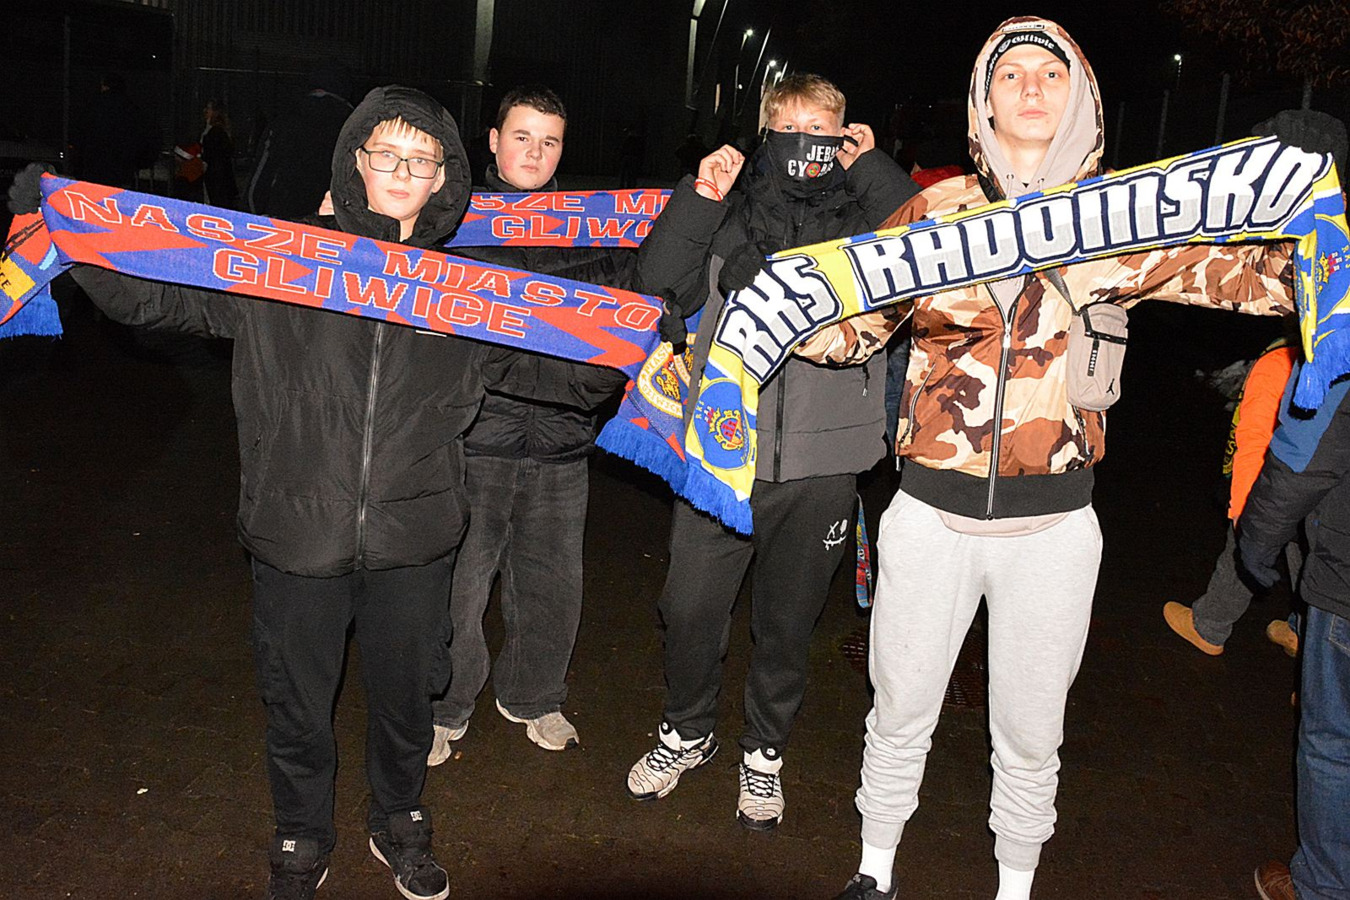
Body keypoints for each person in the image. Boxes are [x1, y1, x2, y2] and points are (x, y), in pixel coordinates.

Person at [12, 85, 589, 900]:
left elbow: (565, 368)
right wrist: (61, 229)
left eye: (422, 160)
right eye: (387, 153)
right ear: (356, 161)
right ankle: (301, 829)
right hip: (295, 532)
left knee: (407, 701)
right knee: (297, 703)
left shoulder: (466, 290)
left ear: (443, 179)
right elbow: (157, 293)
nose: (403, 171)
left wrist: (648, 328)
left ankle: (401, 817)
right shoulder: (285, 262)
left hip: (415, 539)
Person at [798, 18, 1318, 900]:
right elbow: (851, 329)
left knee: (1032, 735)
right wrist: (772, 302)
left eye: (1051, 71)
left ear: (1079, 95)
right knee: (899, 710)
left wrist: (1309, 200)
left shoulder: (1119, 216)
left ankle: (1016, 885)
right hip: (928, 517)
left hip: (1053, 531)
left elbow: (1262, 279)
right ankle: (874, 869)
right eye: (1011, 74)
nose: (1032, 86)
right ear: (984, 100)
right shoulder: (933, 212)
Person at [627, 73, 918, 831]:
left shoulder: (865, 218)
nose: (804, 142)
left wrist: (873, 169)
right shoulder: (729, 207)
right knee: (688, 608)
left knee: (787, 624)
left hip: (823, 462)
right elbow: (656, 281)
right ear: (766, 132)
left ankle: (764, 752)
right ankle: (687, 731)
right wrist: (701, 196)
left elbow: (928, 249)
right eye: (790, 126)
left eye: (822, 128)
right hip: (722, 453)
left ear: (844, 136)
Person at [428, 85, 631, 761]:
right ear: (493, 141)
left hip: (563, 445)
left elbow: (627, 313)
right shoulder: (453, 226)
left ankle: (535, 696)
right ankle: (445, 705)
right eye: (521, 137)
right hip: (475, 442)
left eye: (550, 142)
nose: (535, 154)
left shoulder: (593, 228)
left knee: (552, 586)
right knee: (458, 587)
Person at [1164, 337, 1303, 656]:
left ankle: (1208, 627)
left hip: (1280, 487)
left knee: (1244, 549)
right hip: (1322, 491)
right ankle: (1305, 631)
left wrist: (1242, 511)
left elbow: (1254, 439)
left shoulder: (1281, 360)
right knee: (1309, 556)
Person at [247, 61, 356, 219]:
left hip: (284, 215)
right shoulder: (354, 123)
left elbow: (262, 173)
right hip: (330, 220)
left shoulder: (287, 115)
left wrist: (253, 214)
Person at [201, 99, 239, 209]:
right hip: (218, 175)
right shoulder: (217, 130)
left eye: (209, 108)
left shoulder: (216, 132)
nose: (205, 111)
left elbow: (212, 154)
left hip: (217, 177)